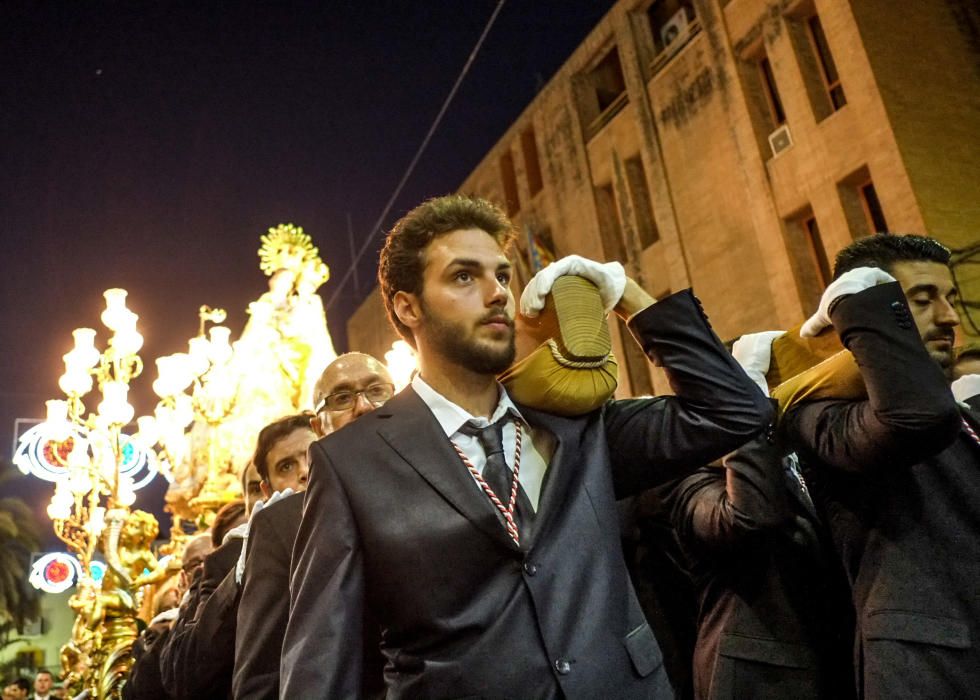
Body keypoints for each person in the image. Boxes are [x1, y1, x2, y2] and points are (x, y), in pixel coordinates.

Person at [280, 194, 771, 698]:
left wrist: (630, 299)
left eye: (502, 276)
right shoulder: (351, 461)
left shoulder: (576, 422)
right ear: (408, 307)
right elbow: (322, 661)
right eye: (464, 277)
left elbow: (734, 411)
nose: (496, 293)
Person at [778, 233, 979, 698]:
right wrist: (860, 306)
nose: (949, 317)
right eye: (922, 300)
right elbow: (918, 418)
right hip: (930, 671)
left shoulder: (966, 407)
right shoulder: (823, 417)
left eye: (949, 298)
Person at [233, 353, 394, 700]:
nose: (364, 407)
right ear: (320, 428)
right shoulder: (282, 524)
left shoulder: (442, 480)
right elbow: (260, 678)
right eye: (342, 399)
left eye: (377, 390)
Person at [160, 413, 315, 699]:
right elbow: (186, 675)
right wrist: (244, 568)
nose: (304, 472)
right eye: (286, 466)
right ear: (267, 491)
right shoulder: (228, 561)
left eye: (313, 456)